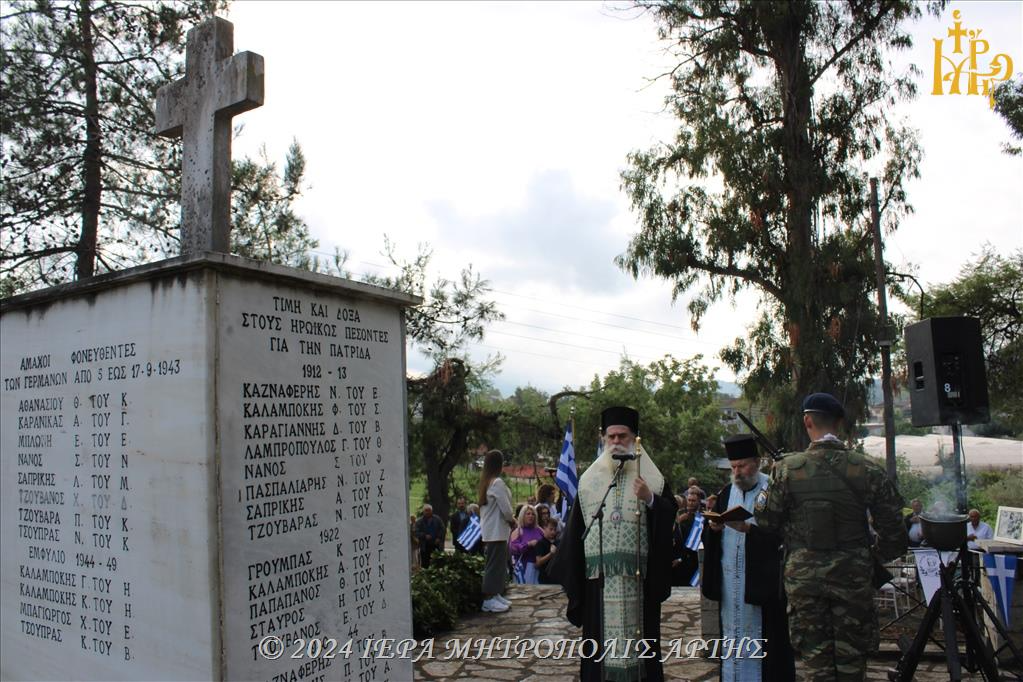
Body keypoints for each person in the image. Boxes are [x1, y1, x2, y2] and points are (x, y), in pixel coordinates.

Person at [756, 393, 908, 681]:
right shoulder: (867, 469)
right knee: (852, 662)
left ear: (807, 421)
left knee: (816, 662)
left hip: (804, 581)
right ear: (839, 423)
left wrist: (775, 478)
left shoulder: (787, 469)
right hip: (853, 577)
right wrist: (869, 557)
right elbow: (895, 534)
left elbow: (766, 519)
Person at [551, 406, 675, 682]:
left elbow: (670, 516)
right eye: (611, 437)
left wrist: (651, 500)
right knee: (599, 655)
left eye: (623, 436)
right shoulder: (588, 482)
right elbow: (575, 532)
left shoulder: (652, 478)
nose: (617, 442)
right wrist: (574, 580)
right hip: (599, 585)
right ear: (604, 438)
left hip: (639, 583)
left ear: (635, 439)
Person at [702, 434, 794, 681]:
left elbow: (785, 536)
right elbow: (710, 533)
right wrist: (713, 529)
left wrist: (749, 530)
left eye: (742, 466)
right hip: (731, 588)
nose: (737, 472)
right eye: (733, 467)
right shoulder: (725, 494)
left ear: (758, 461)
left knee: (768, 651)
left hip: (762, 589)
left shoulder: (773, 490)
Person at [479, 449, 515, 613]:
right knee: (494, 565)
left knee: (498, 564)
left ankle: (496, 593)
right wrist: (512, 520)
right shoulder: (497, 483)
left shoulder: (486, 482)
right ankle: (488, 599)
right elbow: (506, 508)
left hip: (492, 531)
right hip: (497, 531)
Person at [671, 488, 702, 587]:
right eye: (689, 500)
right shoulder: (679, 514)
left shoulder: (702, 518)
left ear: (698, 502)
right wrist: (678, 521)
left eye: (694, 501)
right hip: (679, 561)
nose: (691, 503)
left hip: (694, 560)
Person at [510, 504, 544, 584]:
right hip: (524, 567)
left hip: (539, 566)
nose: (531, 516)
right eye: (528, 514)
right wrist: (528, 544)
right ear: (522, 516)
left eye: (533, 514)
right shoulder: (518, 531)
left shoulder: (539, 530)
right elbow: (513, 548)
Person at [413, 504, 446, 569]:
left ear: (432, 511)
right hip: (424, 546)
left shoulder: (437, 519)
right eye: (426, 510)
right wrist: (424, 536)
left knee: (436, 563)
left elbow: (443, 529)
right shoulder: (419, 521)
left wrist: (439, 538)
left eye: (429, 510)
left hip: (436, 545)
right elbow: (416, 532)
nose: (428, 512)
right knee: (425, 564)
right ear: (423, 511)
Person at [536, 518, 560, 584]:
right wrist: (551, 554)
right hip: (545, 578)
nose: (553, 532)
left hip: (556, 577)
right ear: (544, 528)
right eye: (551, 529)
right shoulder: (540, 543)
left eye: (554, 530)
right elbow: (538, 562)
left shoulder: (558, 542)